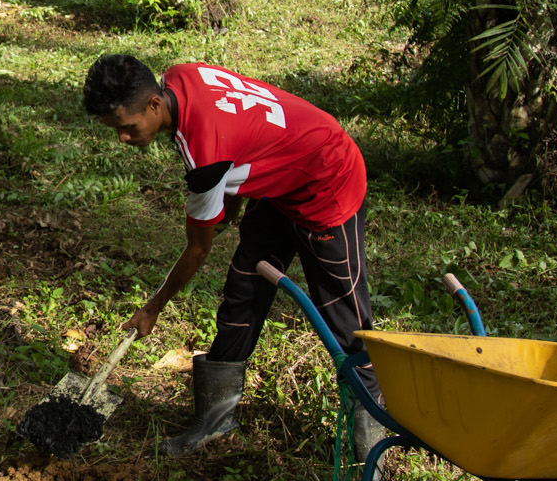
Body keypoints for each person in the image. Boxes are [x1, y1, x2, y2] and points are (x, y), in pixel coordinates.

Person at [82, 54, 383, 457]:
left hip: (327, 179)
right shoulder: (181, 76)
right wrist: (229, 208)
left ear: (154, 105)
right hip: (279, 182)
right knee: (244, 287)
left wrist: (154, 307)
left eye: (125, 127)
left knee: (343, 315)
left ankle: (372, 442)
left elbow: (198, 249)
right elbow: (242, 139)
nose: (122, 138)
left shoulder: (204, 156)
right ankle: (216, 420)